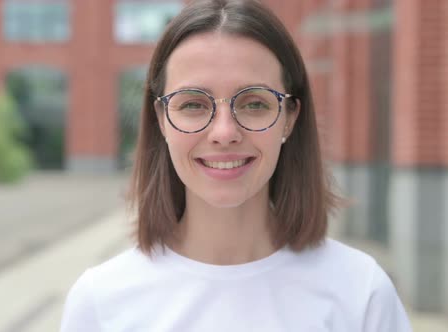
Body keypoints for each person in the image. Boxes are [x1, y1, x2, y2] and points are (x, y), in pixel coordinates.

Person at [60, 0, 412, 331]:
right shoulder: (101, 304)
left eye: (254, 104)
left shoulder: (361, 294)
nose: (224, 132)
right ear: (161, 120)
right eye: (194, 104)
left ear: (289, 118)